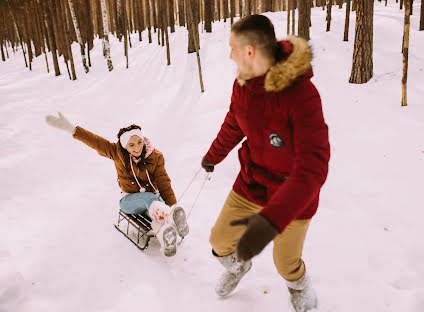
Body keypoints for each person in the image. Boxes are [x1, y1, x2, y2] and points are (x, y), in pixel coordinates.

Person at [201, 15, 330, 311]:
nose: (229, 54)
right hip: (252, 182)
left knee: (285, 263)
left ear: (249, 51)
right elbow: (234, 123)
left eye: (232, 47)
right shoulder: (243, 85)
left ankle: (299, 285)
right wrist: (213, 156)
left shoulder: (302, 96)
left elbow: (314, 166)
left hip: (291, 196)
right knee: (219, 243)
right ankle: (237, 268)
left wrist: (271, 221)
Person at [45, 113, 189, 257]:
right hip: (128, 201)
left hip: (152, 203)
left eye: (139, 142)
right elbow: (95, 141)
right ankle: (170, 216)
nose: (137, 147)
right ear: (125, 146)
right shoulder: (116, 152)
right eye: (131, 145)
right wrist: (71, 129)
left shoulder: (155, 157)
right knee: (150, 199)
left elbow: (164, 183)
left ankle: (166, 237)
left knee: (155, 207)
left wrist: (173, 205)